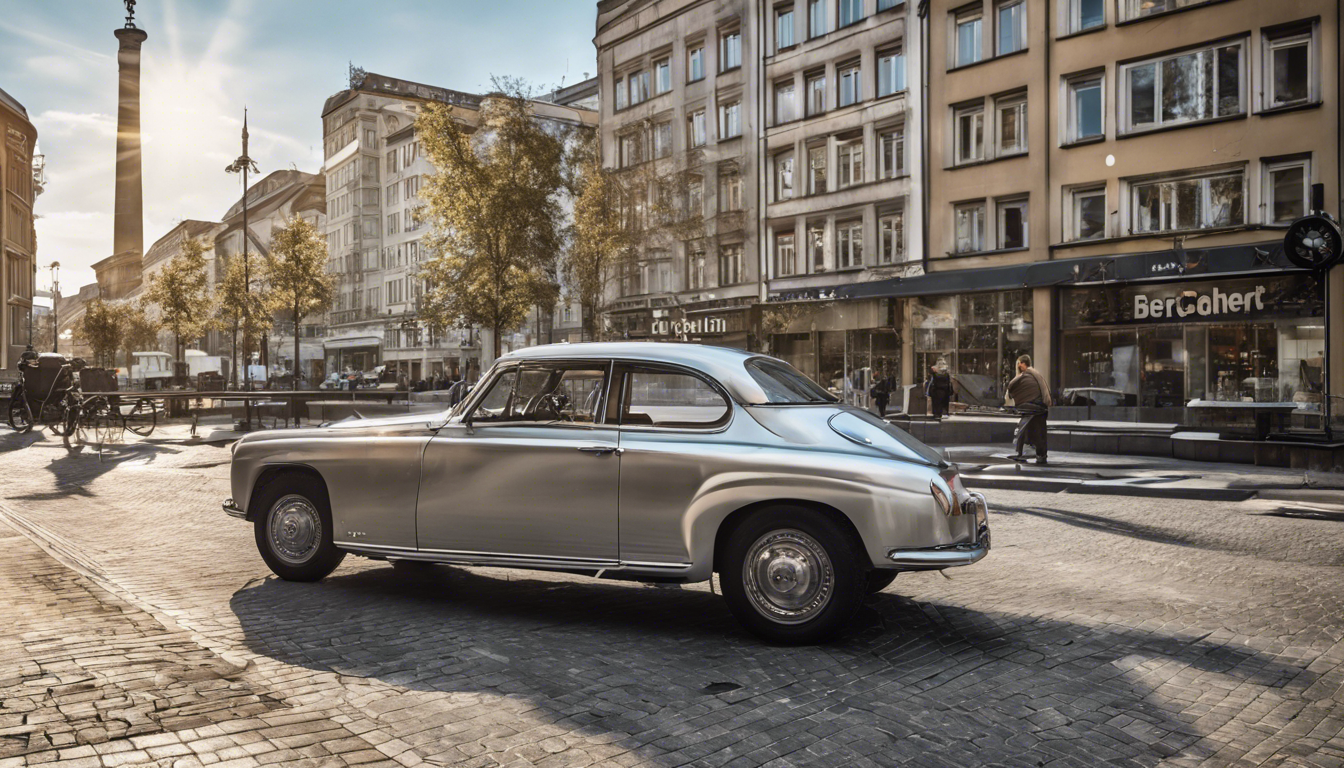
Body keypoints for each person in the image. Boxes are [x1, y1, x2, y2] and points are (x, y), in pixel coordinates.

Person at [1007, 354, 1051, 465]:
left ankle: (1029, 453)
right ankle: (1039, 455)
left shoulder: (1025, 376)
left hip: (1034, 407)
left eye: (1019, 363)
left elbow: (1011, 386)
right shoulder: (1035, 375)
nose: (1018, 366)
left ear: (1022, 363)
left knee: (1031, 430)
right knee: (1038, 431)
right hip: (1039, 407)